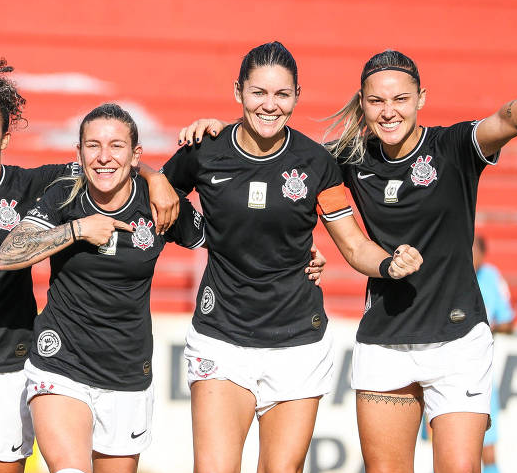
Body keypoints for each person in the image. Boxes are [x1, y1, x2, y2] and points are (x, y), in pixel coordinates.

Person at [184, 49, 517, 473]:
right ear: (362, 103)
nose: (389, 111)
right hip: (384, 343)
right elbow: (281, 180)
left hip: (457, 344)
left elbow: (506, 120)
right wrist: (212, 131)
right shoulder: (347, 160)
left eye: (400, 99)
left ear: (421, 99)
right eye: (376, 101)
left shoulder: (452, 147)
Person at [142, 42, 422, 473]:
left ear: (297, 96)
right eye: (258, 93)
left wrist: (388, 264)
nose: (270, 105)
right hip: (222, 336)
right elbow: (154, 187)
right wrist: (155, 177)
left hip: (298, 343)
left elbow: (351, 244)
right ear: (238, 92)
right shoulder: (205, 148)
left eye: (282, 95)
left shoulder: (316, 162)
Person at [0, 56, 176, 473]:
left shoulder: (37, 184)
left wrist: (154, 176)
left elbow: (108, 165)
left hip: (8, 365)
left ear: (5, 138)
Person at [0, 103, 206, 473]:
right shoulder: (63, 194)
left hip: (125, 372)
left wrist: (301, 255)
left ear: (136, 155)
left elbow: (229, 243)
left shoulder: (157, 202)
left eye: (116, 146)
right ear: (78, 153)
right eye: (92, 146)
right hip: (59, 362)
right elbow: (8, 255)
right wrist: (76, 230)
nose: (104, 157)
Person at [473, 234, 513, 473]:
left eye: (474, 250)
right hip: (443, 370)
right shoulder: (450, 274)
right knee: (446, 447)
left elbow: (508, 321)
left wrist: (489, 328)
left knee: (487, 448)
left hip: (481, 374)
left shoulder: (490, 278)